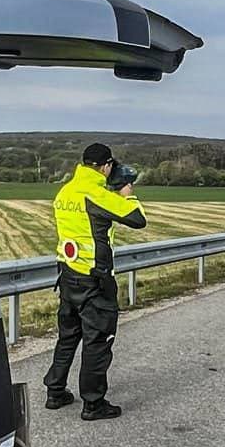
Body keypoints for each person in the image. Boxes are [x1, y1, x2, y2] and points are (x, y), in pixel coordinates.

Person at [42, 142, 146, 419]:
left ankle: (55, 391)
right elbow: (138, 219)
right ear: (106, 166)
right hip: (95, 280)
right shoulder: (96, 195)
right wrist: (127, 194)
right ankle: (93, 403)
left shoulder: (66, 191)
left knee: (67, 337)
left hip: (67, 275)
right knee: (97, 342)